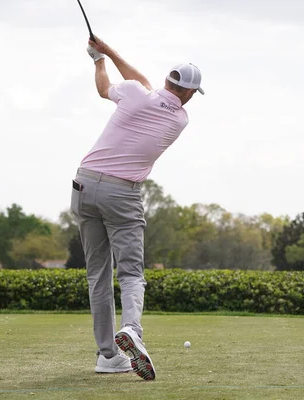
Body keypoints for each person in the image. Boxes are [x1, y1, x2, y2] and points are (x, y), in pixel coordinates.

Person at [70, 36, 204, 380]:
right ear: (188, 93)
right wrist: (109, 52)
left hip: (84, 184)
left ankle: (107, 355)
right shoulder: (180, 120)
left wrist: (100, 59)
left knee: (96, 275)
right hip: (122, 194)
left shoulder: (134, 93)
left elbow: (108, 89)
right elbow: (144, 86)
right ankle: (131, 329)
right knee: (130, 272)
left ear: (166, 82)